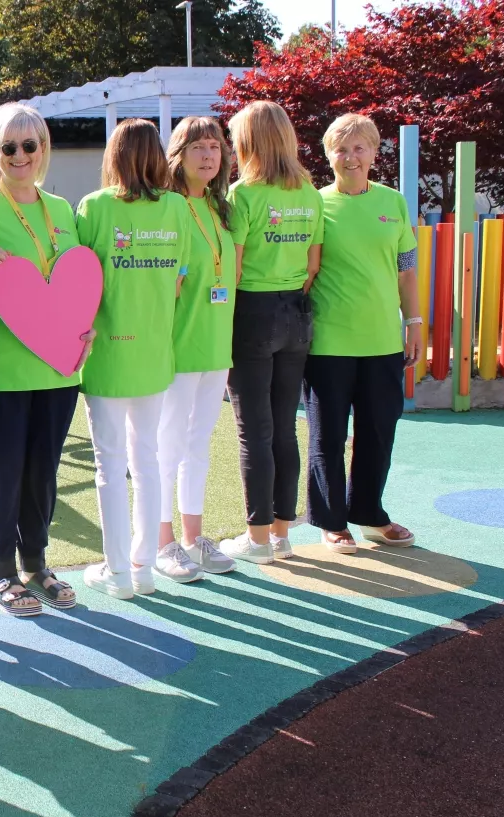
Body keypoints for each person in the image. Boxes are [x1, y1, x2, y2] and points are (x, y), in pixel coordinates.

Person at [0, 102, 91, 616]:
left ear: (43, 149)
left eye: (30, 145)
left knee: (43, 472)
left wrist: (86, 326)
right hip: (2, 371)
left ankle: (35, 563)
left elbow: (81, 281)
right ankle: (0, 571)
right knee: (0, 471)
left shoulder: (62, 210)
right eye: (9, 146)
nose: (21, 155)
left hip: (61, 369)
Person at [75, 119, 193, 599]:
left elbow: (76, 280)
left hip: (106, 353)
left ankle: (118, 570)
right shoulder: (178, 209)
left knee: (110, 465)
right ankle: (141, 567)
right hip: (154, 352)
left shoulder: (95, 207)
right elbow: (180, 280)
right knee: (147, 461)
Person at [305, 113, 421, 552]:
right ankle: (331, 521)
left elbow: (406, 272)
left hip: (383, 342)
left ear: (374, 152)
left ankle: (370, 513)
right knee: (328, 435)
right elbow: (306, 272)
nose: (351, 157)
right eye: (342, 148)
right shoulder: (315, 204)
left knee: (378, 432)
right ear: (327, 153)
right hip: (329, 341)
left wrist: (413, 322)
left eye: (360, 148)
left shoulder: (394, 203)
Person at [220, 100, 324, 564]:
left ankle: (258, 536)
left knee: (254, 432)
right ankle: (281, 532)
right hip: (297, 313)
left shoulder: (243, 195)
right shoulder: (309, 192)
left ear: (249, 142)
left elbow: (234, 265)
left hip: (253, 312)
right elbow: (314, 264)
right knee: (285, 428)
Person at [154, 116, 239, 581]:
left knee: (198, 446)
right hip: (177, 347)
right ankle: (163, 542)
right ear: (178, 155)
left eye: (215, 146)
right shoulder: (168, 207)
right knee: (168, 447)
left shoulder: (220, 207)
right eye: (197, 147)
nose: (209, 155)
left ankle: (193, 537)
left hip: (214, 347)